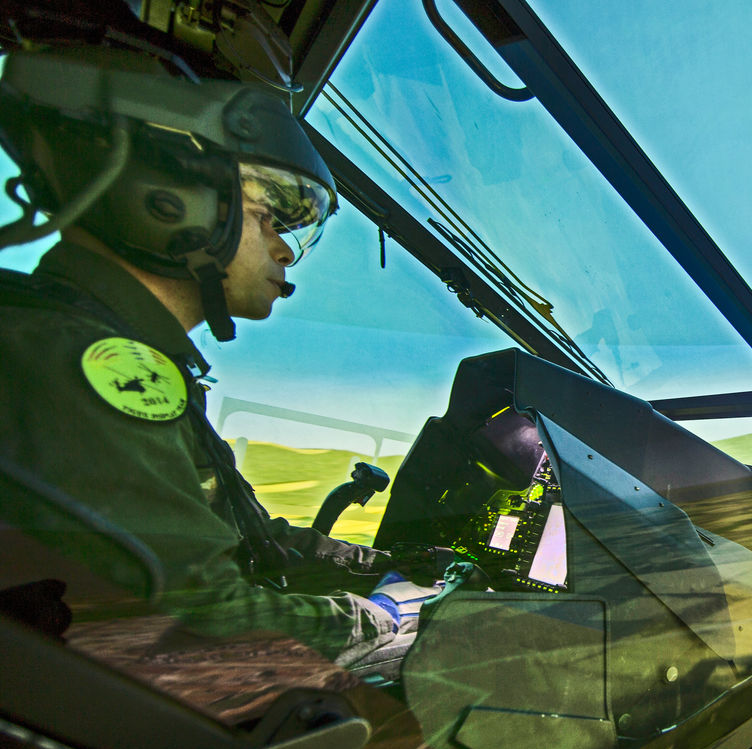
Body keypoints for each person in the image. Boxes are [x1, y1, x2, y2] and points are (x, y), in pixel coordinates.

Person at [0, 47, 439, 665]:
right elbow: (208, 617)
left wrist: (378, 565)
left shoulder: (124, 358)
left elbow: (242, 537)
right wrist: (383, 619)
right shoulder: (74, 361)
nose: (283, 251)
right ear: (170, 201)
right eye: (268, 219)